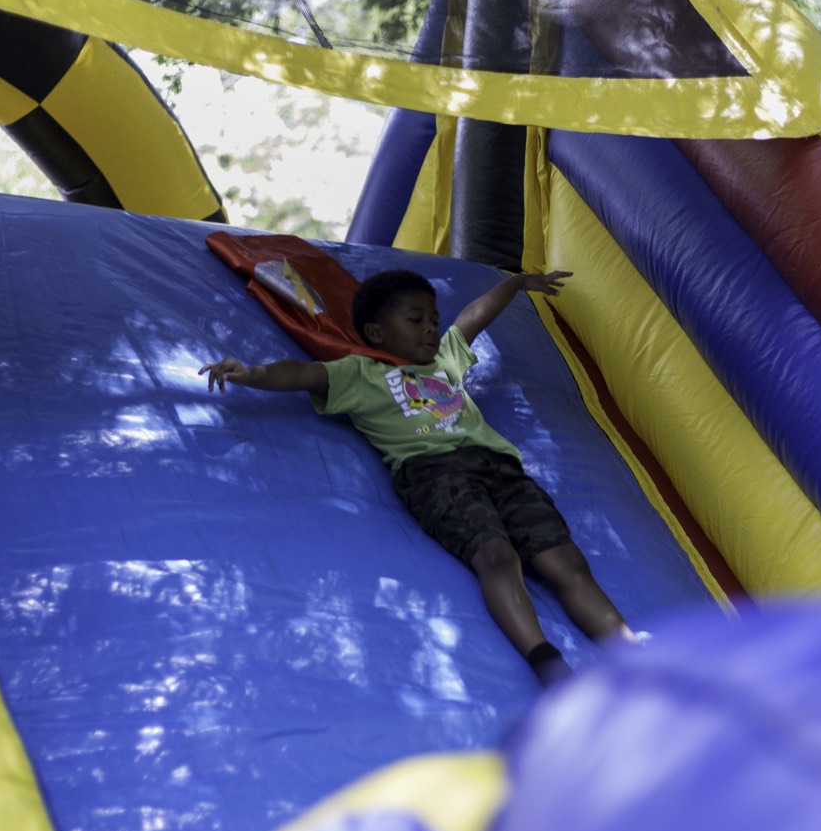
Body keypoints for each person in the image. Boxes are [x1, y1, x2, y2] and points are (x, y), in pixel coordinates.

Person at [201, 267, 635, 686]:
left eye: (433, 320)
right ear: (376, 332)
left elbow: (473, 317)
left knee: (566, 563)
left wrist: (517, 283)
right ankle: (547, 662)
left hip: (499, 468)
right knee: (496, 556)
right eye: (416, 320)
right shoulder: (360, 372)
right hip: (434, 473)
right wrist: (250, 372)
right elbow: (299, 373)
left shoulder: (446, 360)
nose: (431, 328)